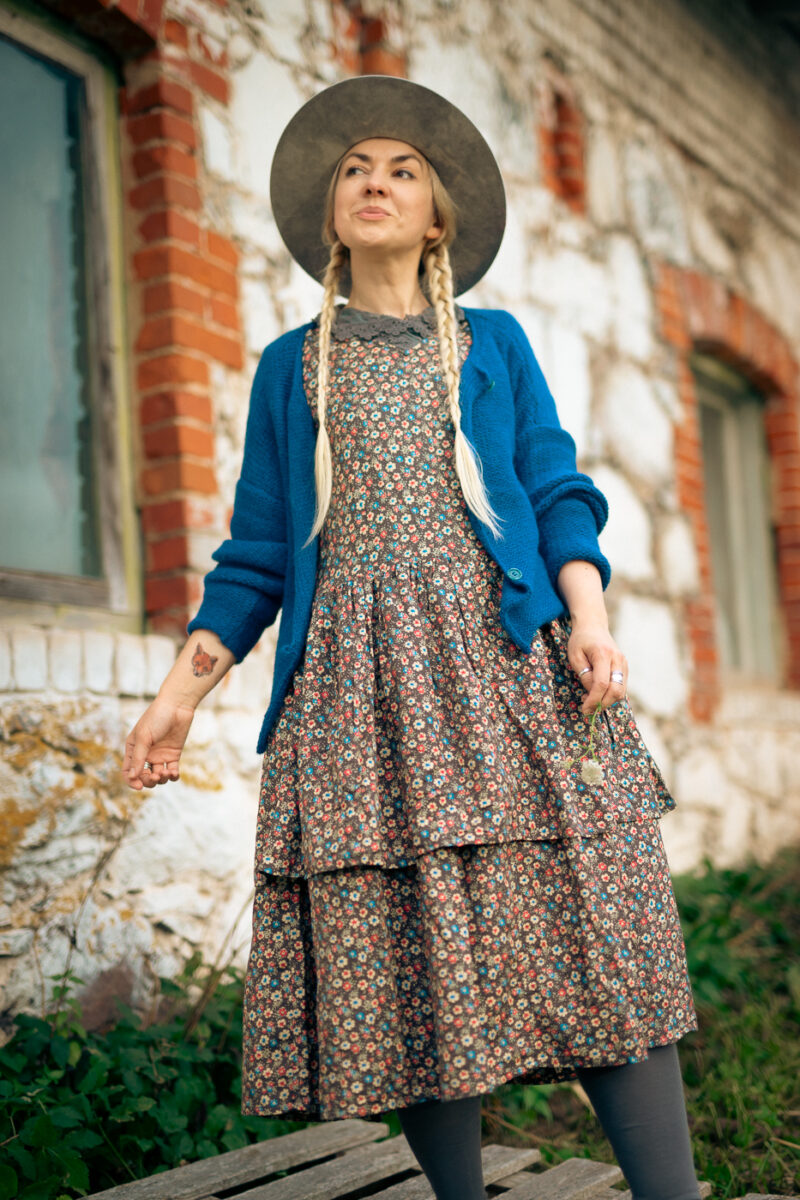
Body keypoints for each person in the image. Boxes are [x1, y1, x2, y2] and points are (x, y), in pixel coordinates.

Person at [123, 76, 702, 1200]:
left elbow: (551, 488)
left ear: (437, 216)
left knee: (599, 920)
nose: (374, 183)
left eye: (401, 171)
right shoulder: (292, 369)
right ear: (329, 212)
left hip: (503, 665)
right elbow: (253, 559)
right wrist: (178, 695)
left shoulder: (493, 343)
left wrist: (585, 621)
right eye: (354, 170)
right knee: (411, 956)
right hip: (358, 690)